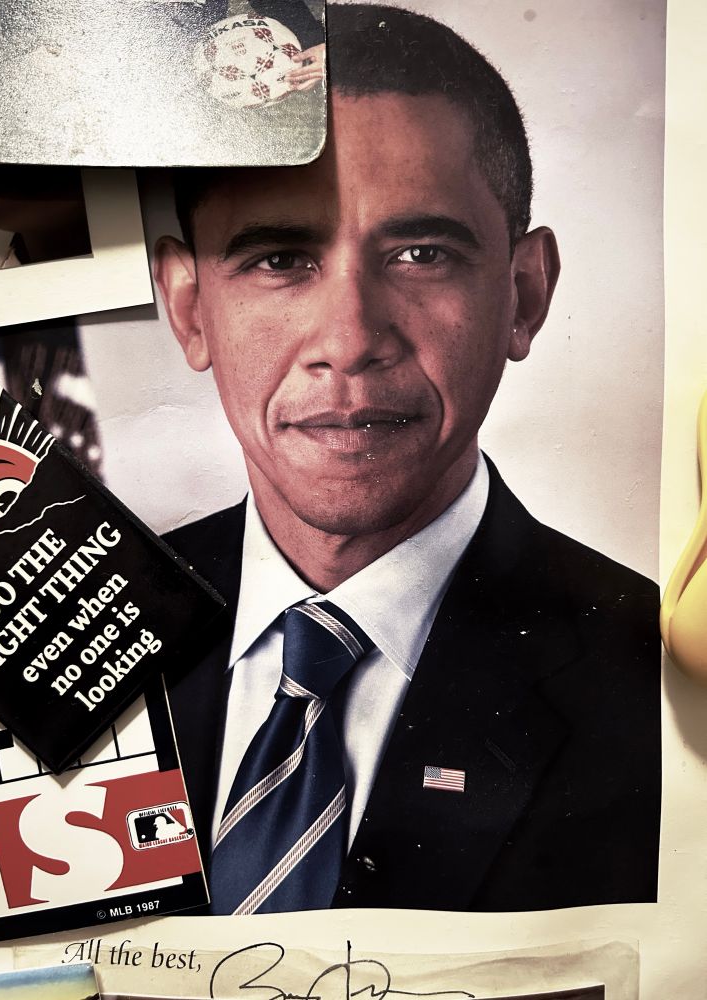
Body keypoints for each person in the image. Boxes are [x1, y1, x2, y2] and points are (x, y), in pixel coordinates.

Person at [155, 3, 661, 914]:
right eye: (279, 259)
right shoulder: (17, 644)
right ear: (190, 309)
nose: (349, 341)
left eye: (422, 253)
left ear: (525, 295)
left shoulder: (662, 689)